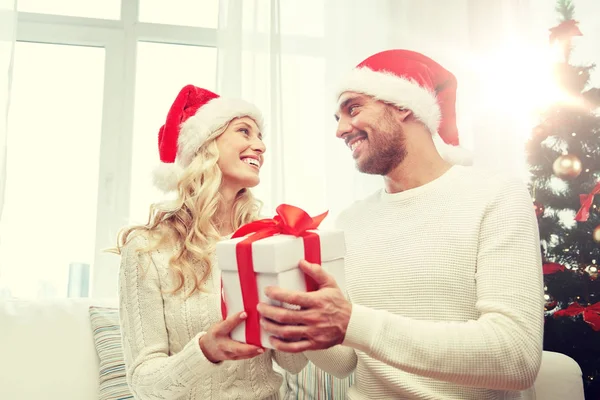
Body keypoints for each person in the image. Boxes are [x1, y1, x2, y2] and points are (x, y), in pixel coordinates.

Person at [257, 49, 544, 399]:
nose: (340, 130)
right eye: (337, 116)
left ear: (403, 104)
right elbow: (344, 361)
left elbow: (515, 355)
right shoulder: (350, 221)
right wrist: (302, 317)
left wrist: (350, 321)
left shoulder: (495, 195)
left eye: (353, 108)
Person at [113, 84, 307, 400]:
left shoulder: (268, 242)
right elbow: (143, 385)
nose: (259, 146)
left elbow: (293, 364)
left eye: (260, 137)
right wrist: (206, 351)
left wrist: (298, 309)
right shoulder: (148, 249)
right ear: (205, 145)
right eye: (245, 132)